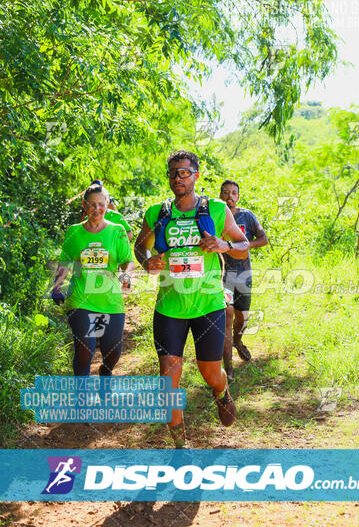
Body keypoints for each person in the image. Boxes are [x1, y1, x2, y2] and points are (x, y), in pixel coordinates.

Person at [134, 150, 249, 448]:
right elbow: (140, 247)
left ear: (196, 175)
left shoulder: (217, 209)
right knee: (167, 379)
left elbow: (243, 246)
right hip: (170, 308)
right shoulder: (157, 212)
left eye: (184, 172)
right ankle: (180, 446)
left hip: (207, 306)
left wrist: (223, 244)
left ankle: (221, 392)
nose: (177, 178)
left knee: (210, 373)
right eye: (173, 173)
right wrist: (147, 262)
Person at [51, 184, 135, 376]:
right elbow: (65, 263)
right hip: (80, 298)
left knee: (112, 353)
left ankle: (106, 370)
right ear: (84, 205)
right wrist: (56, 287)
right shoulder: (74, 232)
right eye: (92, 204)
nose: (97, 209)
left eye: (101, 204)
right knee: (85, 351)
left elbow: (127, 261)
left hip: (110, 300)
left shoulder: (117, 231)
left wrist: (126, 275)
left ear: (107, 205)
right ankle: (81, 398)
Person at [220, 180, 268, 381]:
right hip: (221, 274)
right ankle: (228, 368)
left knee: (242, 318)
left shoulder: (246, 216)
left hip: (243, 273)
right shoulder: (215, 215)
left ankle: (238, 341)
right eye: (226, 193)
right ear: (220, 196)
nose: (230, 196)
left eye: (234, 193)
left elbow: (263, 239)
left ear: (238, 196)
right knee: (226, 317)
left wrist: (244, 245)